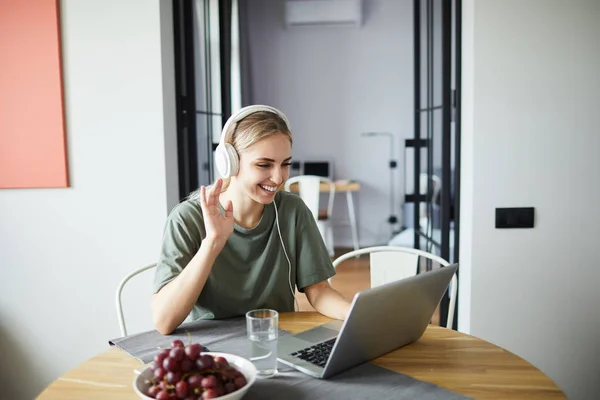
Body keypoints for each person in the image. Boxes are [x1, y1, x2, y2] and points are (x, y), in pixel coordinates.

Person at [152, 105, 351, 335]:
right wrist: (212, 243)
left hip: (275, 342)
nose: (278, 178)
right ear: (230, 163)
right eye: (264, 164)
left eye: (285, 164)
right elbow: (164, 321)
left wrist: (356, 314)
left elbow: (319, 291)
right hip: (213, 351)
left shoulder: (292, 211)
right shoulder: (188, 218)